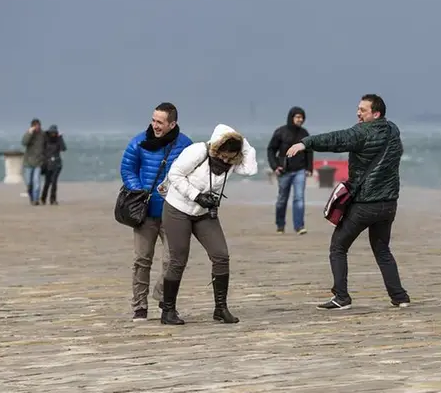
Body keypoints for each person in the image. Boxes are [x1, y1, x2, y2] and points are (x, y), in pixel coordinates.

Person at [286, 94, 409, 310]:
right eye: (358, 109)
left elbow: (337, 139)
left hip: (365, 204)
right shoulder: (392, 130)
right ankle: (400, 297)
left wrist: (305, 143)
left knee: (338, 247)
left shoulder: (361, 132)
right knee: (382, 249)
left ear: (376, 113)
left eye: (363, 110)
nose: (358, 113)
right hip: (389, 204)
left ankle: (341, 297)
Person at [159, 123, 258, 325]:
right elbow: (174, 174)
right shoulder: (198, 151)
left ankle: (220, 309)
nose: (224, 160)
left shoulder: (232, 161)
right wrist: (196, 195)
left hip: (203, 214)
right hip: (178, 208)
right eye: (222, 155)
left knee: (221, 255)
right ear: (216, 147)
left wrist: (242, 142)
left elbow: (251, 169)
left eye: (230, 157)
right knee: (178, 260)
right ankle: (168, 311)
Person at [119, 103, 193, 321]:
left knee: (173, 261)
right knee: (142, 260)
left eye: (160, 122)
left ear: (172, 124)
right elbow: (127, 169)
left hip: (174, 212)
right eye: (153, 120)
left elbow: (194, 172)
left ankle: (165, 301)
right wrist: (137, 189)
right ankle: (139, 306)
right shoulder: (139, 142)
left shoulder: (185, 145)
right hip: (145, 212)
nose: (155, 125)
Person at [267, 106, 314, 234]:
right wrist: (275, 166)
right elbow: (271, 150)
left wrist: (309, 168)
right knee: (282, 199)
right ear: (291, 117)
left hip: (300, 170)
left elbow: (309, 151)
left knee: (299, 198)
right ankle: (280, 225)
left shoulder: (304, 134)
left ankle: (299, 226)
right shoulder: (280, 132)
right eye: (298, 117)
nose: (300, 120)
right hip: (284, 171)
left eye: (302, 118)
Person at [40, 125, 66, 205]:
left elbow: (63, 148)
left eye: (54, 132)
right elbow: (42, 150)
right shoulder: (45, 139)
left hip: (57, 164)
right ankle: (43, 198)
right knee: (47, 182)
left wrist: (60, 138)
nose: (53, 134)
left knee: (54, 182)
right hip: (47, 164)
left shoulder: (58, 139)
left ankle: (53, 199)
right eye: (52, 132)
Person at [21, 118, 46, 205]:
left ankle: (36, 200)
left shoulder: (43, 134)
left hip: (38, 162)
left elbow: (47, 143)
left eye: (38, 126)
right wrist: (30, 133)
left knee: (37, 182)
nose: (37, 128)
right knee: (29, 183)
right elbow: (24, 142)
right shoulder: (29, 134)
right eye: (35, 126)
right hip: (28, 162)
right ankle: (31, 198)